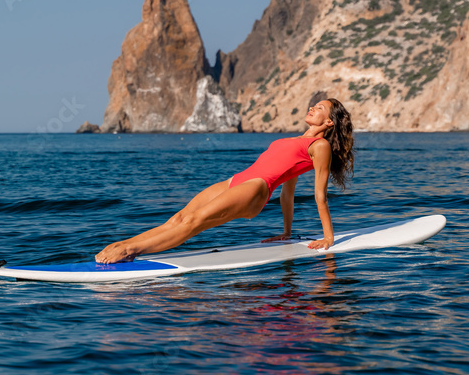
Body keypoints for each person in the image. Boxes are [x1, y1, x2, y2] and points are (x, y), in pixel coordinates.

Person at [94, 98, 355, 264]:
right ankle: (127, 243)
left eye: (319, 108)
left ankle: (131, 251)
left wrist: (328, 238)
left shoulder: (320, 146)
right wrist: (287, 232)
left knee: (194, 223)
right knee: (180, 218)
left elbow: (320, 195)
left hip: (255, 189)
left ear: (329, 121)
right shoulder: (296, 140)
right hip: (238, 180)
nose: (312, 107)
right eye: (314, 104)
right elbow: (288, 192)